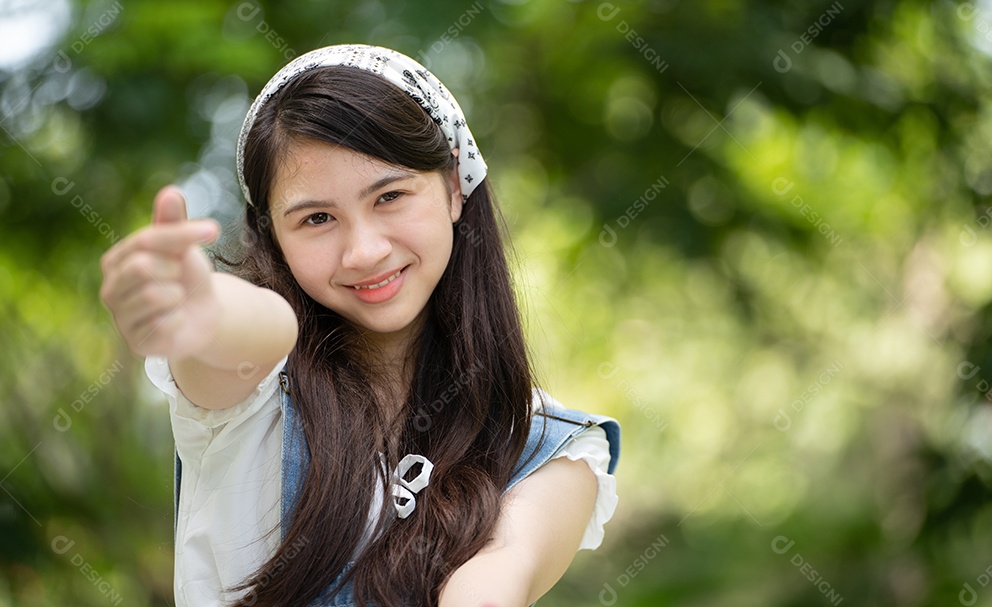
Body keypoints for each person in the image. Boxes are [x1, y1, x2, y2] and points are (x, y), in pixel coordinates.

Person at [99, 44, 621, 607]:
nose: (364, 251)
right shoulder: (247, 402)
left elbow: (497, 573)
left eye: (391, 196)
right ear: (273, 236)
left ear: (452, 186)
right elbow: (258, 330)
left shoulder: (551, 447)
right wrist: (201, 313)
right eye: (317, 218)